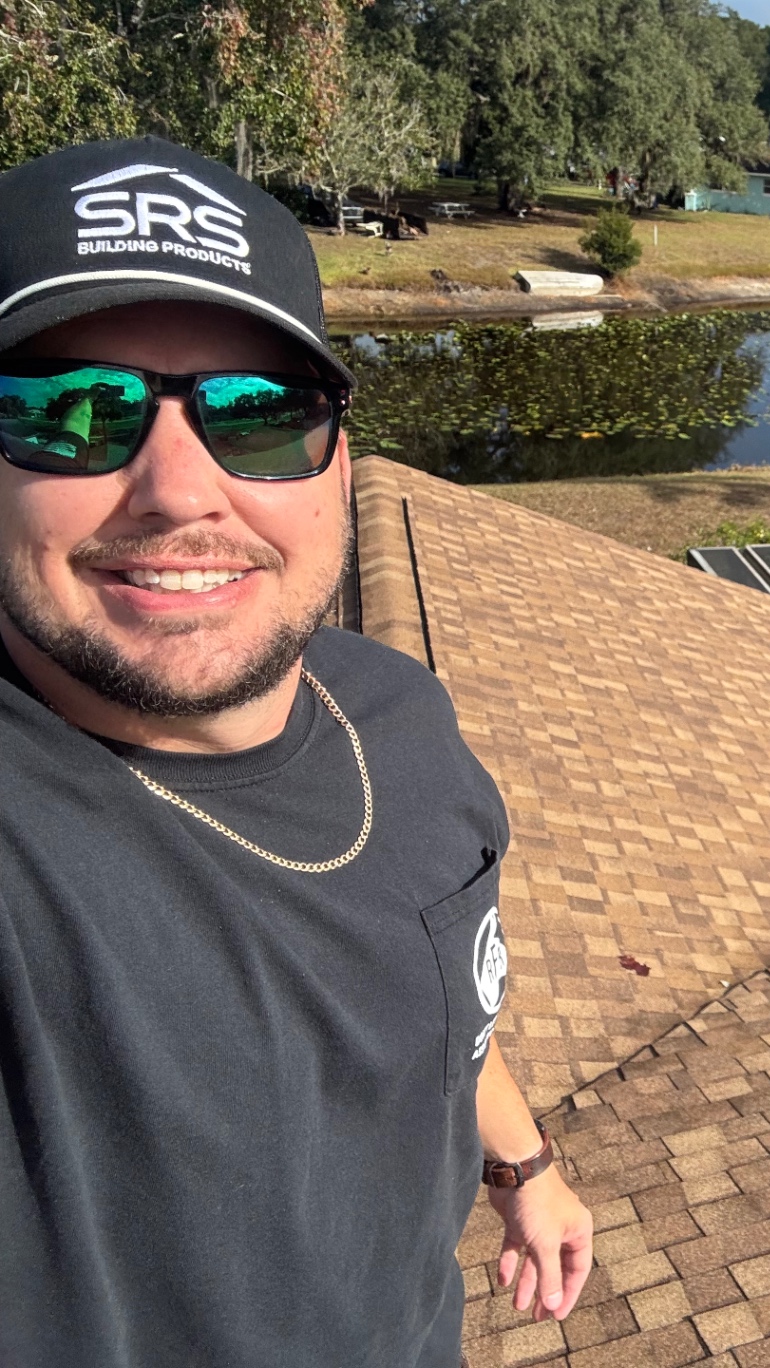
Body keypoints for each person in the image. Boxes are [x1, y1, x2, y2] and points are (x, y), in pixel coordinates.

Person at [0, 136, 592, 1366]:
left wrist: (523, 1165)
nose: (177, 489)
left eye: (257, 413)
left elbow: (443, 1001)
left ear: (333, 455)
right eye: (66, 411)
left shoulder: (403, 721)